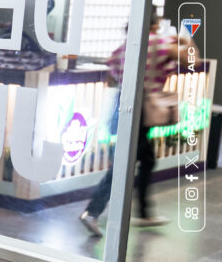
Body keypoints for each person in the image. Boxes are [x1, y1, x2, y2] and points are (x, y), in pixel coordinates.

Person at [79, 17, 194, 235]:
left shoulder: (124, 49)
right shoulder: (158, 44)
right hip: (142, 110)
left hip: (123, 108)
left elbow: (111, 74)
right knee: (124, 165)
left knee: (144, 160)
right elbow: (192, 60)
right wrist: (184, 40)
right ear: (152, 26)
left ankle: (143, 212)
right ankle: (92, 212)